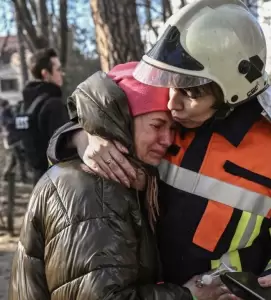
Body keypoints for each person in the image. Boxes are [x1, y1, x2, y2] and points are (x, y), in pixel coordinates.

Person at [47, 0, 271, 299]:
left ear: (230, 94)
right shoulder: (167, 125)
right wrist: (83, 134)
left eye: (191, 92)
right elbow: (99, 100)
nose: (172, 103)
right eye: (172, 84)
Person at [9, 62, 227, 300]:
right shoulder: (94, 188)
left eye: (173, 128)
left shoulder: (126, 177)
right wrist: (188, 295)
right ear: (124, 120)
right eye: (157, 125)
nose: (167, 139)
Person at [19, 48, 69, 183]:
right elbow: (64, 150)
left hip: (38, 181)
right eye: (58, 70)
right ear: (45, 74)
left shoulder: (24, 106)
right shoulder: (53, 105)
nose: (62, 74)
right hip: (58, 181)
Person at [0, 99, 27, 183]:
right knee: (20, 159)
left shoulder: (8, 113)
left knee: (14, 160)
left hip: (15, 139)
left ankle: (5, 175)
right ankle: (23, 178)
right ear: (5, 105)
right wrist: (16, 120)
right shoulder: (4, 114)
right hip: (12, 140)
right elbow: (9, 123)